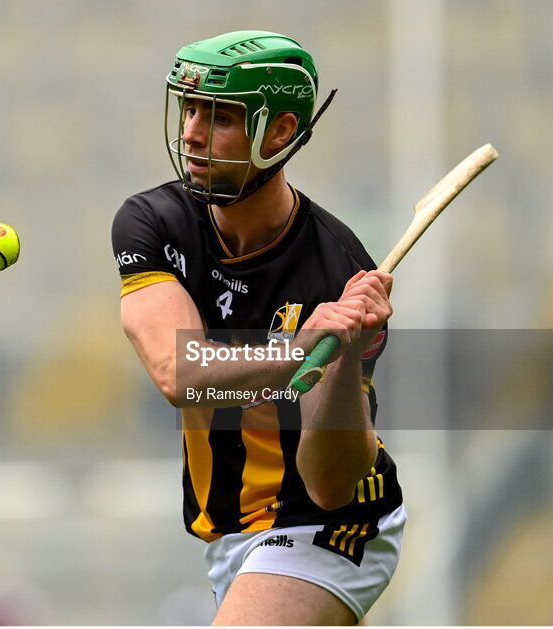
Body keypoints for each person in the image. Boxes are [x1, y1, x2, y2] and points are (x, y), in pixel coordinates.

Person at [111, 30, 406, 625]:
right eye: (189, 108)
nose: (192, 131)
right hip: (231, 532)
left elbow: (330, 483)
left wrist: (344, 356)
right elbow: (178, 371)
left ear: (280, 132)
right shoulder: (153, 223)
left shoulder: (341, 270)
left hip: (331, 522)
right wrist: (298, 352)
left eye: (220, 116)